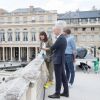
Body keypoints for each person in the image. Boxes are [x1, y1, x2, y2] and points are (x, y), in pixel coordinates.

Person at [43, 26, 69, 98]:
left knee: (58, 78)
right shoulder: (63, 38)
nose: (53, 32)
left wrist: (44, 48)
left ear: (58, 30)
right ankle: (66, 93)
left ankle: (57, 94)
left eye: (54, 31)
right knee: (63, 77)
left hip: (58, 60)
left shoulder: (60, 38)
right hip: (60, 59)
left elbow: (52, 47)